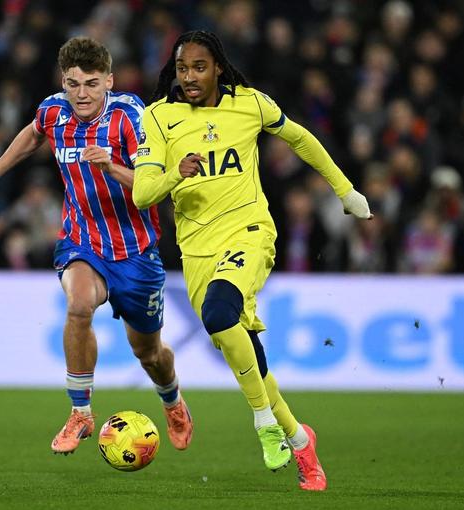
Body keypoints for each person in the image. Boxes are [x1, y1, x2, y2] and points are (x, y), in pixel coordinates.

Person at [133, 30, 373, 491]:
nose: (189, 77)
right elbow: (143, 193)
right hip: (196, 251)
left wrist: (345, 191)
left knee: (219, 313)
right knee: (242, 347)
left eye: (199, 67)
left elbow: (301, 139)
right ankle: (299, 439)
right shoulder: (158, 117)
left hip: (249, 232)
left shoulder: (250, 104)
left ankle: (264, 423)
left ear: (218, 68)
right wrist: (174, 173)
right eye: (182, 68)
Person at [0, 37, 192, 455]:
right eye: (73, 84)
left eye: (91, 83)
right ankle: (81, 412)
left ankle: (172, 399)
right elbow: (33, 134)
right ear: (63, 82)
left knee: (149, 353)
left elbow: (157, 185)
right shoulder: (54, 110)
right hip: (81, 238)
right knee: (78, 305)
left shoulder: (132, 118)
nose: (82, 94)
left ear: (109, 81)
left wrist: (111, 166)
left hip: (136, 250)